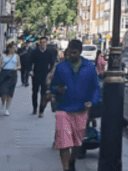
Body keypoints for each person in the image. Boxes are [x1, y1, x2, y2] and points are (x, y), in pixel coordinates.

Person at [50, 39, 100, 171]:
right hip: (63, 109)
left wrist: (92, 102)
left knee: (77, 143)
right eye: (70, 52)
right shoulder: (61, 67)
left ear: (80, 52)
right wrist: (56, 89)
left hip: (81, 110)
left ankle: (72, 162)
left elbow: (95, 88)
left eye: (75, 52)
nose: (72, 55)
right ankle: (65, 168)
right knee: (63, 143)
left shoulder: (89, 67)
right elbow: (53, 86)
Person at [0, 42, 20, 115]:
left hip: (13, 74)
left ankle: (7, 109)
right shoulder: (3, 56)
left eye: (15, 48)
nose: (14, 49)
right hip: (4, 74)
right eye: (13, 48)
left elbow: (19, 65)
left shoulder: (16, 56)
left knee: (10, 92)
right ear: (9, 48)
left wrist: (16, 67)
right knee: (3, 92)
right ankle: (3, 101)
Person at [30, 37, 55, 117]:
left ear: (46, 43)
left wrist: (51, 73)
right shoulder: (35, 52)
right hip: (36, 74)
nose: (42, 44)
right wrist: (30, 71)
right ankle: (34, 108)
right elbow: (30, 62)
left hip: (45, 75)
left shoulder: (49, 52)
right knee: (35, 92)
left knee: (43, 94)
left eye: (44, 42)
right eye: (41, 42)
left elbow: (52, 64)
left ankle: (41, 110)